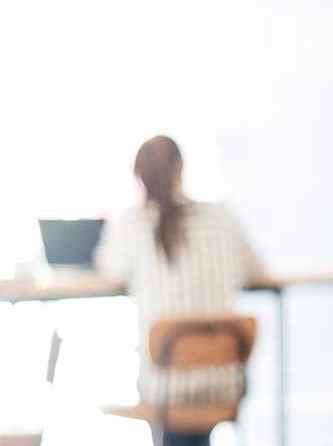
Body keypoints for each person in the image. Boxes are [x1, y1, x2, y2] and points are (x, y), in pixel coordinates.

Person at [95, 136, 264, 446]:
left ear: (139, 178)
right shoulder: (222, 217)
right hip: (224, 381)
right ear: (181, 168)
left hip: (165, 387)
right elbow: (258, 271)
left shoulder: (133, 224)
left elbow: (108, 270)